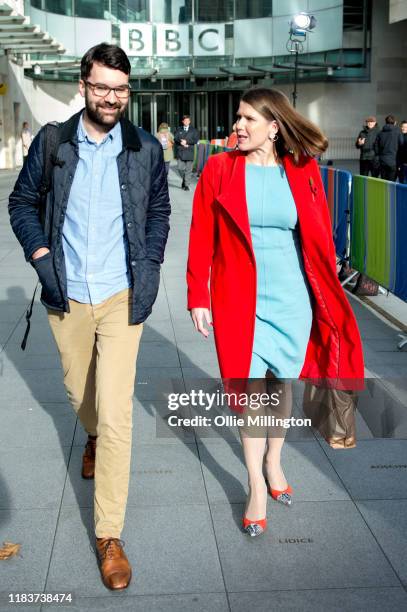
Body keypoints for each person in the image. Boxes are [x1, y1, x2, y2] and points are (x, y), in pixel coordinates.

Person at [9, 43, 170, 589]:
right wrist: (41, 257)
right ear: (83, 86)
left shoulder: (145, 147)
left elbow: (159, 212)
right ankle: (93, 436)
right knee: (82, 394)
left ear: (130, 90)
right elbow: (21, 202)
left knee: (119, 411)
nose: (111, 98)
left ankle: (109, 533)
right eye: (101, 87)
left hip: (123, 296)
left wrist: (149, 264)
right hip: (68, 295)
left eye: (121, 89)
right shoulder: (54, 142)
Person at [187, 87, 364, 537]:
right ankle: (255, 487)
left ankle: (273, 459)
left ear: (274, 126)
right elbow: (200, 233)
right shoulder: (219, 168)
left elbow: (320, 236)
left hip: (290, 299)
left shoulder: (302, 170)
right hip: (236, 300)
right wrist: (198, 296)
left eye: (248, 119)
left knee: (279, 383)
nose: (238, 126)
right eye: (238, 118)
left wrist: (329, 296)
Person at [174, 114, 199, 190]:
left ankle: (186, 185)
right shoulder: (179, 129)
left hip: (189, 151)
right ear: (183, 121)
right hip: (181, 151)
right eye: (185, 121)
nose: (186, 122)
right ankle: (185, 180)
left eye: (188, 120)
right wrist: (180, 142)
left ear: (189, 121)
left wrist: (187, 142)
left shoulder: (194, 130)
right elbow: (175, 138)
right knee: (180, 168)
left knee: (189, 170)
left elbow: (196, 140)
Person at [374, 114, 400, 181]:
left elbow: (376, 146)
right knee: (392, 183)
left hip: (382, 161)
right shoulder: (398, 133)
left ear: (385, 122)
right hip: (393, 161)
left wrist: (379, 155)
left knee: (384, 182)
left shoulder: (380, 133)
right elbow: (401, 146)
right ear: (395, 122)